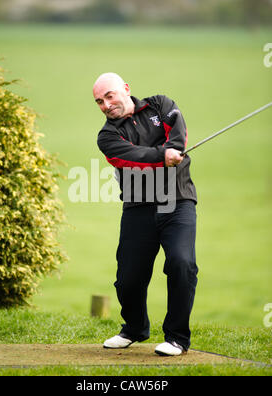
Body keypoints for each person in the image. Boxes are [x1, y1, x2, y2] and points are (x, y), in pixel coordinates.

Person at [93, 73, 198, 356]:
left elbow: (178, 130)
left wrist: (174, 149)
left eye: (110, 96)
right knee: (128, 278)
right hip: (138, 207)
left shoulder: (160, 105)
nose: (106, 104)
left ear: (126, 89)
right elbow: (130, 158)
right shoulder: (107, 136)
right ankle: (135, 328)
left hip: (177, 201)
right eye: (99, 102)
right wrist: (162, 156)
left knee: (181, 263)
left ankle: (176, 338)